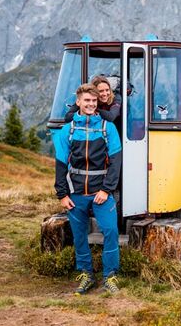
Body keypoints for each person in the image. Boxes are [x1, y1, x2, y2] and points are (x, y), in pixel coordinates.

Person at [53, 83, 122, 295]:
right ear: (78, 102)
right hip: (75, 194)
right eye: (87, 101)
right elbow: (61, 163)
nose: (91, 104)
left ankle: (110, 275)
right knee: (79, 235)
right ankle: (86, 275)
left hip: (101, 193)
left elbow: (116, 162)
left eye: (94, 101)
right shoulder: (67, 130)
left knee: (110, 231)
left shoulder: (107, 127)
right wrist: (62, 194)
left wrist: (106, 190)